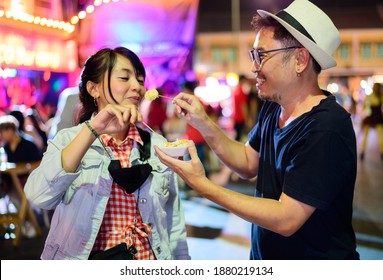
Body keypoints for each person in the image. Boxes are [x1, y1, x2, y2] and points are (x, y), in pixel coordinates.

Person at [155, 0, 360, 260]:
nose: (253, 67)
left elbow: (287, 218)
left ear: (300, 59)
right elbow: (247, 161)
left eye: (261, 56)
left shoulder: (327, 127)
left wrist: (203, 186)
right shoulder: (274, 108)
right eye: (253, 56)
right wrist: (202, 122)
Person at [24, 47, 190, 260]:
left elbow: (174, 223)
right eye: (124, 77)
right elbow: (38, 197)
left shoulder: (159, 145)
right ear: (94, 89)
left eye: (140, 80)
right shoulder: (69, 141)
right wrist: (93, 130)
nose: (137, 87)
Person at [360, 82, 383, 162]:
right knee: (376, 136)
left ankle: (363, 152)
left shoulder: (372, 96)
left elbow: (364, 106)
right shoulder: (380, 96)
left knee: (370, 136)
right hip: (376, 117)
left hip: (372, 117)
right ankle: (381, 153)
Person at [232, 75, 250, 142]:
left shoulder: (236, 91)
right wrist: (247, 118)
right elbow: (243, 106)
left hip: (236, 118)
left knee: (237, 137)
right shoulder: (241, 92)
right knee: (240, 138)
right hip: (240, 118)